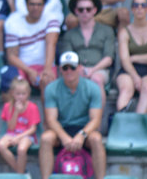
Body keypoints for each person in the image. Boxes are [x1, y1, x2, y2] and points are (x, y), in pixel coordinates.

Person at [39, 51, 106, 179]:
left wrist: (81, 135)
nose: (69, 71)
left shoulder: (92, 88)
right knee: (46, 138)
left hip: (84, 128)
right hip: (61, 128)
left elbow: (95, 119)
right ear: (60, 69)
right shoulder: (51, 89)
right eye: (65, 67)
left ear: (79, 67)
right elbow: (51, 120)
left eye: (73, 67)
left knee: (97, 139)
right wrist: (64, 137)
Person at [4, 0, 60, 103]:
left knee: (47, 81)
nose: (36, 7)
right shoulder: (13, 22)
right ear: (26, 5)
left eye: (39, 4)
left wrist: (47, 69)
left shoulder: (51, 18)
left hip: (44, 65)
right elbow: (11, 56)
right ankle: (16, 119)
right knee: (15, 85)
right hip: (23, 67)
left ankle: (48, 120)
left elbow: (51, 44)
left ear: (44, 6)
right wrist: (29, 71)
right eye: (32, 4)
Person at [63, 0, 115, 109]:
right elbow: (68, 57)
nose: (85, 12)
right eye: (81, 9)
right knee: (72, 80)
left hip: (100, 69)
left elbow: (108, 58)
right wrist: (79, 69)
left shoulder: (107, 30)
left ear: (94, 10)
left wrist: (92, 70)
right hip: (76, 69)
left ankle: (97, 122)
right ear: (76, 11)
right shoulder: (69, 35)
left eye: (88, 9)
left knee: (96, 79)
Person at [116, 0, 147, 114]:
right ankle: (122, 121)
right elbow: (124, 59)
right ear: (132, 9)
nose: (139, 8)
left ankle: (138, 123)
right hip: (129, 69)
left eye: (143, 5)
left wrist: (135, 58)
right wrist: (135, 77)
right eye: (136, 5)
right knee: (126, 89)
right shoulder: (124, 31)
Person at [0, 77, 40, 174]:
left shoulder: (32, 107)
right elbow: (11, 127)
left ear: (28, 93)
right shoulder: (8, 106)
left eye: (23, 94)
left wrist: (18, 138)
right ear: (12, 93)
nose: (20, 97)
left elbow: (33, 129)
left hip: (26, 135)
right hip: (12, 133)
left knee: (21, 149)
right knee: (0, 145)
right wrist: (16, 111)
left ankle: (19, 175)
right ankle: (21, 172)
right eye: (18, 94)